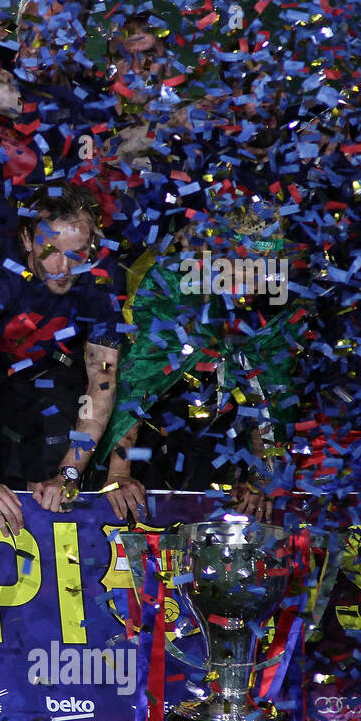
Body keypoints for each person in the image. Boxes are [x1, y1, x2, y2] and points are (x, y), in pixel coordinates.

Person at [0, 182, 122, 534]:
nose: (63, 267)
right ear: (25, 239)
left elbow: (102, 378)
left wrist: (69, 472)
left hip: (52, 372)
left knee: (50, 493)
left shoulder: (102, 277)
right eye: (50, 251)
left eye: (77, 252)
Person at [98, 206, 297, 523]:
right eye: (238, 263)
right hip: (157, 418)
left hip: (224, 424)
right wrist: (119, 472)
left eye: (261, 267)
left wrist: (263, 475)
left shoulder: (277, 300)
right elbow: (138, 380)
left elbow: (269, 389)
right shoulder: (172, 284)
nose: (248, 277)